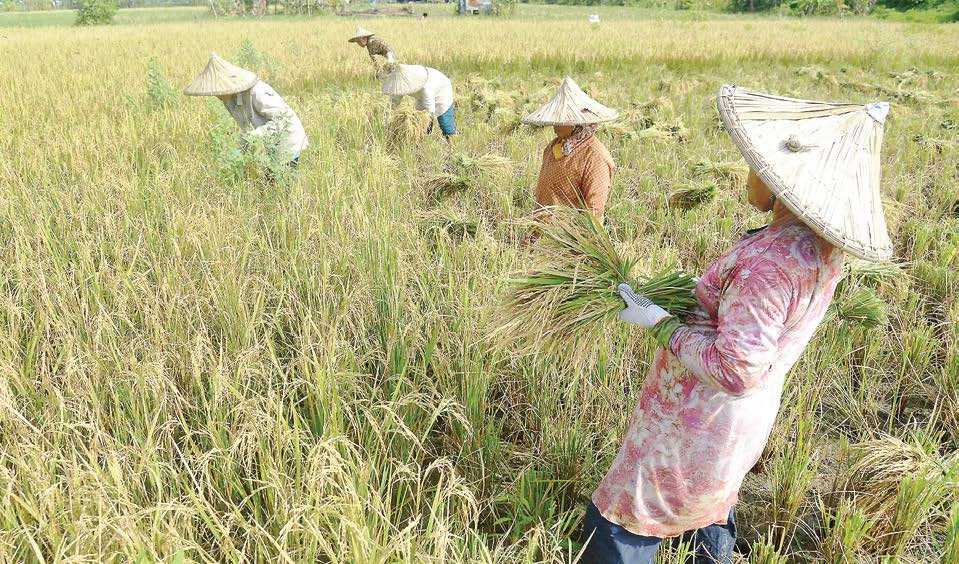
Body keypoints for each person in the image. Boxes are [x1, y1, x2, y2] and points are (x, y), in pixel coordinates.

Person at [582, 85, 894, 564]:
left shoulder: (769, 265)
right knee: (706, 504)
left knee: (626, 516)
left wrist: (660, 323)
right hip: (739, 422)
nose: (748, 172)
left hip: (698, 419)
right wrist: (704, 293)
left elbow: (736, 370)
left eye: (757, 165)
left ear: (782, 183)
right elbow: (754, 320)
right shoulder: (815, 248)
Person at [184, 53, 308, 171]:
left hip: (288, 138)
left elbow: (281, 120)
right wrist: (239, 149)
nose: (217, 96)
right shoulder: (229, 99)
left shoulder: (257, 92)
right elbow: (247, 128)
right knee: (269, 180)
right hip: (271, 142)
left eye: (218, 92)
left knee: (281, 183)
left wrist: (253, 137)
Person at [522, 77, 617, 220]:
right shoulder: (553, 147)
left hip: (569, 236)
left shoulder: (595, 157)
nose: (554, 126)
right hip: (541, 230)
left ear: (576, 124)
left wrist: (576, 239)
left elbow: (594, 209)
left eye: (560, 121)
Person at [382, 64, 457, 145]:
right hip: (421, 97)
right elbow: (392, 105)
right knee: (417, 122)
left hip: (442, 89)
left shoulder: (425, 88)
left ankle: (453, 146)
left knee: (445, 122)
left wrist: (428, 128)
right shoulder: (400, 83)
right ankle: (420, 146)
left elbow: (430, 112)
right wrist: (386, 123)